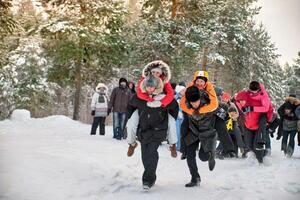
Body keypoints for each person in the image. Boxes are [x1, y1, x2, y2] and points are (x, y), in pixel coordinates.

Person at [127, 75, 179, 190]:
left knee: (151, 151)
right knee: (145, 154)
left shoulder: (163, 97)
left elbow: (175, 107)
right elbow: (130, 105)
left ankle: (147, 180)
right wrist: (129, 117)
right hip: (143, 130)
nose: (150, 89)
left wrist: (169, 119)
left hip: (158, 130)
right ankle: (151, 175)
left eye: (152, 87)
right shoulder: (139, 97)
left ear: (157, 86)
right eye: (148, 86)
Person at [126, 60, 177, 157]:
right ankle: (132, 143)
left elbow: (170, 95)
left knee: (172, 122)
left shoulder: (165, 81)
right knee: (132, 123)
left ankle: (172, 144)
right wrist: (148, 99)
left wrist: (161, 103)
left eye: (158, 72)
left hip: (160, 106)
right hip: (143, 106)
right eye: (153, 72)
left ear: (161, 74)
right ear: (150, 72)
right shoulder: (144, 79)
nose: (155, 74)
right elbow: (139, 92)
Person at [180, 86, 217, 187]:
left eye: (196, 102)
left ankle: (211, 156)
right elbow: (185, 123)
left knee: (203, 157)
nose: (194, 104)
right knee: (190, 155)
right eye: (192, 102)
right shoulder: (187, 106)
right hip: (193, 133)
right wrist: (183, 146)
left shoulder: (209, 105)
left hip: (207, 134)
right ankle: (195, 178)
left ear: (200, 98)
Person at [235, 81, 273, 163]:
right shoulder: (246, 96)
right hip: (249, 125)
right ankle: (253, 159)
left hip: (259, 124)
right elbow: (238, 99)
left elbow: (267, 108)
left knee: (258, 145)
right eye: (252, 91)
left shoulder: (263, 95)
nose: (254, 92)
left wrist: (252, 108)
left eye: (255, 91)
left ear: (259, 89)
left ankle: (262, 158)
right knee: (248, 145)